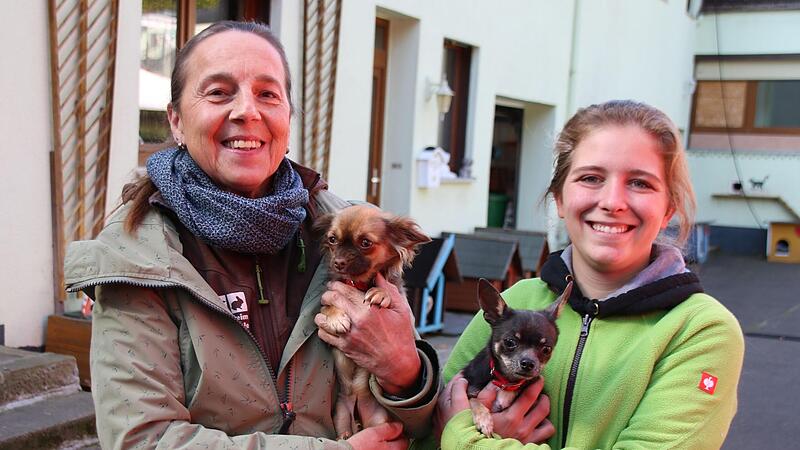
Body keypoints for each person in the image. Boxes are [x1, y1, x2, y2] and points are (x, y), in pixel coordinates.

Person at [64, 21, 439, 449]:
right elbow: (142, 440)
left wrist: (405, 371)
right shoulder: (137, 256)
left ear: (288, 118)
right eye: (218, 92)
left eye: (267, 94)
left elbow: (424, 425)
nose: (247, 111)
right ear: (176, 121)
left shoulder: (343, 232)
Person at [433, 100, 744, 449]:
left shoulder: (699, 330)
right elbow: (426, 434)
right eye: (591, 178)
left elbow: (447, 428)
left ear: (668, 207)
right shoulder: (519, 300)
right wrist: (405, 375)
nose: (612, 201)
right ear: (559, 198)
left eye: (640, 183)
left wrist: (462, 437)